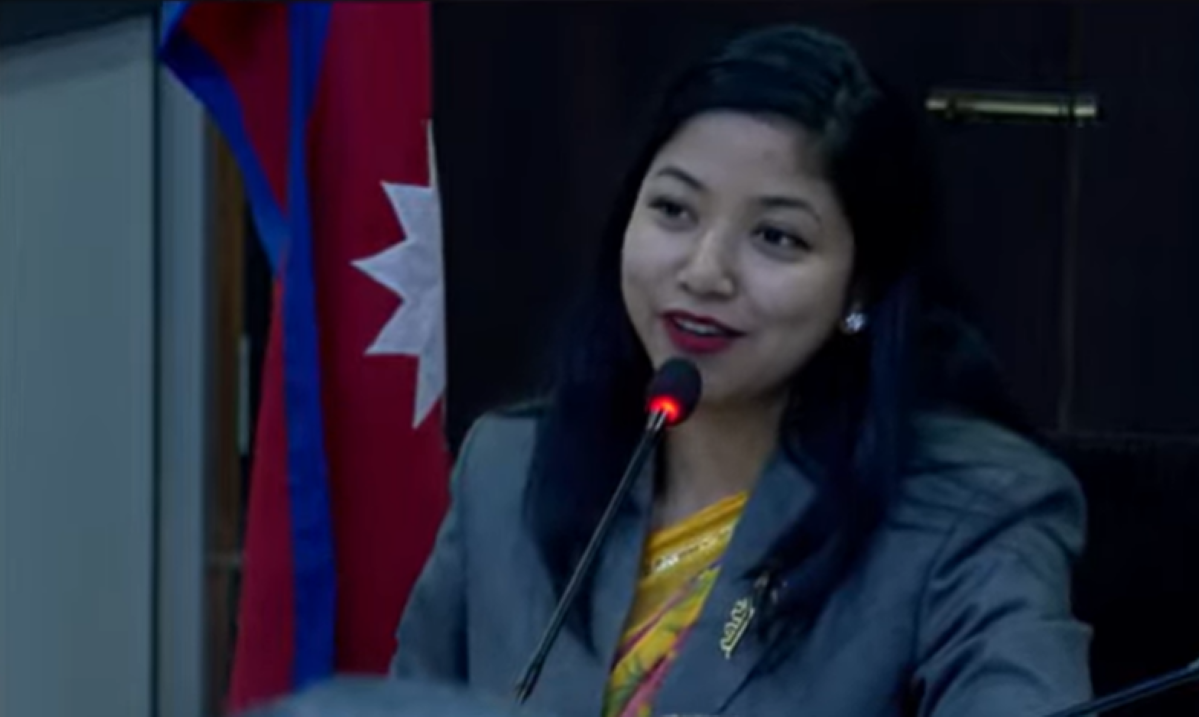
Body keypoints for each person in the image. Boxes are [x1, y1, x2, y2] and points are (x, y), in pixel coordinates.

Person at [390, 23, 1093, 717]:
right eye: (674, 210)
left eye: (776, 236)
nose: (704, 272)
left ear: (861, 288)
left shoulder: (972, 510)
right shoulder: (507, 471)